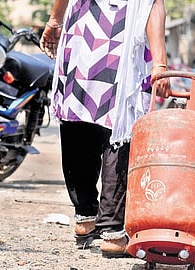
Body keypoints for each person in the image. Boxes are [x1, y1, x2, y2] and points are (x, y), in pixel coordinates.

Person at [39, 0, 170, 257]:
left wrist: (55, 20)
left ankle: (85, 216)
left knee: (77, 120)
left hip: (81, 35)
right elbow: (153, 3)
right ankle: (111, 232)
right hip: (121, 40)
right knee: (118, 132)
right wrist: (160, 62)